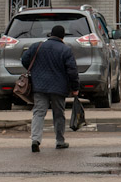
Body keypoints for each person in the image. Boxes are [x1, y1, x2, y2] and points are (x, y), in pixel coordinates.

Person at [22, 24, 80, 152]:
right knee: (59, 114)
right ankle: (60, 141)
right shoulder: (65, 50)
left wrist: (35, 72)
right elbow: (72, 71)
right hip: (58, 88)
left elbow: (24, 60)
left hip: (39, 86)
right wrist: (75, 88)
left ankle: (35, 140)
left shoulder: (37, 46)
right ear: (62, 36)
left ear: (50, 34)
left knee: (38, 112)